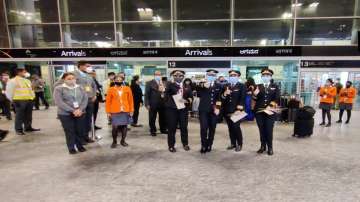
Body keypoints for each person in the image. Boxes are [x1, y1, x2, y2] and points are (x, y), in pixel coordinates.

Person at [53, 72, 88, 154]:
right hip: (65, 114)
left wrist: (80, 109)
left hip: (80, 112)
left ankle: (80, 145)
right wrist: (73, 110)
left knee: (80, 130)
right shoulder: (59, 88)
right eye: (69, 79)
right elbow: (59, 102)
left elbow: (85, 99)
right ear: (64, 79)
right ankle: (71, 147)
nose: (71, 80)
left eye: (73, 78)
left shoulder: (80, 87)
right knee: (70, 131)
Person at [252, 68, 280, 156]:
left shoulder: (275, 86)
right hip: (259, 112)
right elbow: (255, 99)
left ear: (270, 76)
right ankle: (262, 146)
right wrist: (254, 94)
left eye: (267, 75)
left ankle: (270, 147)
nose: (265, 76)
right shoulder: (258, 86)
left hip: (270, 112)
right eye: (263, 75)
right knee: (261, 130)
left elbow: (277, 98)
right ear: (261, 76)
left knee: (269, 129)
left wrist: (270, 106)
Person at [5, 67, 40, 135]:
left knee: (28, 115)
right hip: (19, 100)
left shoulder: (27, 80)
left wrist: (33, 97)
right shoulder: (13, 81)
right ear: (19, 72)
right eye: (24, 72)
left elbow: (31, 90)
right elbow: (8, 92)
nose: (26, 73)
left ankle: (28, 127)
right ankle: (18, 129)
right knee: (19, 116)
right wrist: (12, 100)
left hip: (29, 100)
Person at [165, 70, 193, 153]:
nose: (178, 77)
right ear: (173, 76)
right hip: (172, 110)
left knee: (184, 127)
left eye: (180, 75)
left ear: (183, 76)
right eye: (176, 75)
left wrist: (187, 100)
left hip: (183, 110)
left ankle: (185, 144)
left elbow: (191, 97)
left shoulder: (187, 86)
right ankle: (171, 146)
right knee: (171, 128)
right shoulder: (169, 85)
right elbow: (166, 95)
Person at [196, 69, 223, 153]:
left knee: (212, 128)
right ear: (206, 75)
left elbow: (219, 98)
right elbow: (197, 92)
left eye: (213, 75)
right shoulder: (201, 84)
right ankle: (203, 145)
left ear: (215, 77)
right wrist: (203, 85)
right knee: (203, 128)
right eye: (209, 75)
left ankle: (209, 144)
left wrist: (218, 108)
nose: (211, 76)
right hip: (203, 110)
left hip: (214, 111)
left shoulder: (218, 85)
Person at [106, 75, 134, 148]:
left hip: (125, 110)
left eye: (120, 80)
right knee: (114, 127)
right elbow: (108, 102)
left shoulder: (127, 88)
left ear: (123, 80)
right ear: (114, 81)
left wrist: (131, 110)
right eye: (117, 80)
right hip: (114, 111)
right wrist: (108, 112)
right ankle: (114, 141)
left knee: (124, 126)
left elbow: (130, 100)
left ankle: (123, 141)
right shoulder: (111, 89)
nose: (119, 81)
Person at [221, 70, 246, 152]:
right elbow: (222, 98)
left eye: (234, 75)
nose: (232, 77)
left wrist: (239, 110)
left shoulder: (242, 86)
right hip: (227, 111)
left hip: (237, 111)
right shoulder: (225, 86)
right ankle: (233, 143)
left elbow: (242, 98)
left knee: (236, 127)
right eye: (231, 75)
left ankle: (239, 144)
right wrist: (224, 94)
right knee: (230, 128)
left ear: (238, 76)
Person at [73, 61, 97, 143]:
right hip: (79, 100)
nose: (89, 68)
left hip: (90, 99)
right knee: (80, 119)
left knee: (88, 119)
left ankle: (86, 136)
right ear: (81, 66)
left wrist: (94, 95)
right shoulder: (73, 74)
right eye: (87, 66)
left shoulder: (88, 75)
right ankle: (80, 138)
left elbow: (94, 86)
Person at [145, 71, 168, 136]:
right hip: (153, 103)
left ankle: (163, 129)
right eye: (157, 74)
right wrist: (147, 104)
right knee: (152, 117)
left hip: (163, 103)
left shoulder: (164, 83)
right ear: (154, 75)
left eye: (159, 74)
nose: (158, 75)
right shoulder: (149, 83)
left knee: (163, 117)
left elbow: (167, 92)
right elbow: (147, 94)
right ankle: (153, 130)